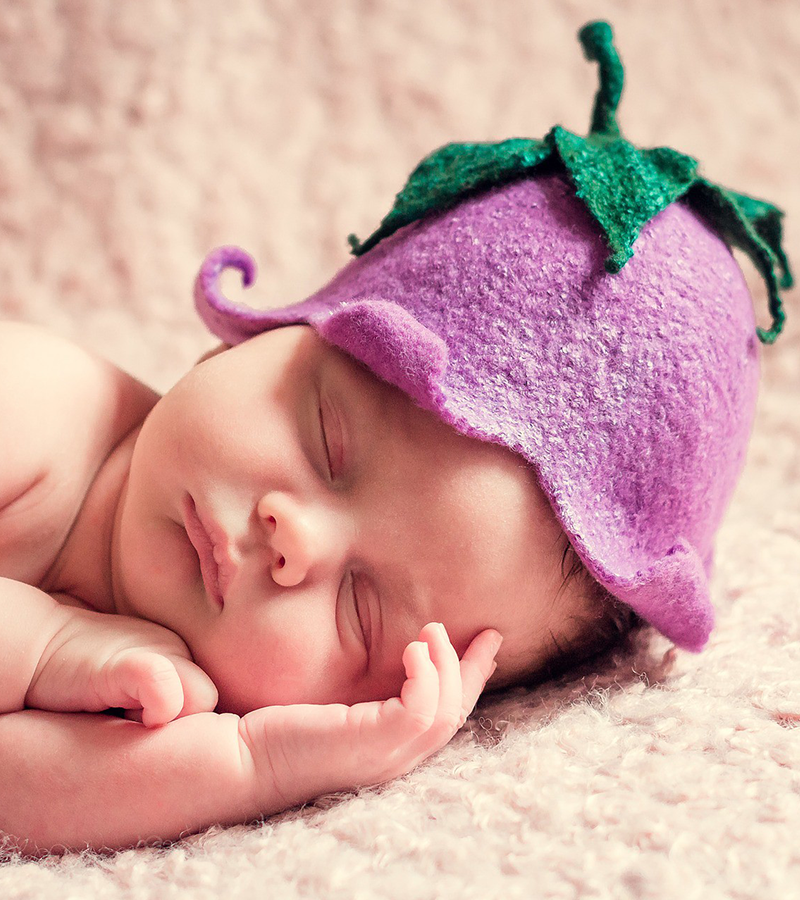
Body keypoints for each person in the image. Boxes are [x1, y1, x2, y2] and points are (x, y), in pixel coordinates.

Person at [0, 21, 791, 855]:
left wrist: (257, 765)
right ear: (260, 341)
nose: (291, 540)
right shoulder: (42, 407)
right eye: (326, 439)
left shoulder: (165, 692)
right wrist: (39, 647)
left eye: (360, 611)